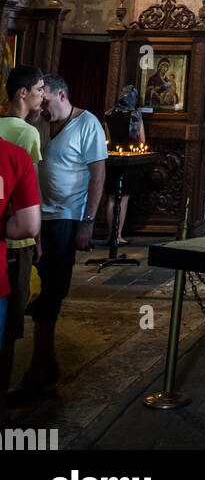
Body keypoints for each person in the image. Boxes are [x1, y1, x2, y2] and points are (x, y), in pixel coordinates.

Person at [10, 74, 106, 403]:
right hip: (39, 216)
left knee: (51, 293)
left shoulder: (88, 124)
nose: (43, 106)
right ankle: (46, 364)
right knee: (38, 292)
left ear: (62, 95)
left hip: (67, 217)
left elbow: (98, 174)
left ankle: (37, 372)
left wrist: (88, 222)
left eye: (46, 101)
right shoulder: (38, 123)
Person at [0, 67, 44, 423]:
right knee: (10, 326)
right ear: (22, 94)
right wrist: (36, 238)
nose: (43, 96)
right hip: (14, 238)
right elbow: (29, 198)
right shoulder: (26, 135)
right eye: (39, 89)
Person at [102, 86, 147, 245]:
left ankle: (110, 234)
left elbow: (107, 138)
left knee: (111, 198)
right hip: (129, 160)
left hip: (112, 159)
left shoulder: (108, 114)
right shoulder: (135, 115)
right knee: (124, 198)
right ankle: (118, 235)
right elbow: (141, 140)